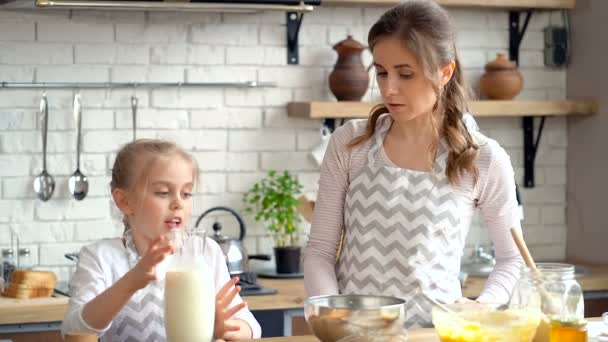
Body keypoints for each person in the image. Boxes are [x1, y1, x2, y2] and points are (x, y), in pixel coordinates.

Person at [303, 0, 524, 328]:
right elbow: (320, 250)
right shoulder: (351, 144)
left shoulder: (484, 159)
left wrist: (485, 305)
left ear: (444, 72)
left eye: (405, 74)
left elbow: (511, 258)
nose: (389, 88)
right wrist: (335, 316)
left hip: (437, 334)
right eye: (381, 72)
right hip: (356, 335)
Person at [61, 139, 261, 341]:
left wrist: (227, 329)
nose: (178, 203)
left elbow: (249, 324)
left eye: (186, 193)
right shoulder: (101, 258)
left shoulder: (205, 252)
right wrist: (132, 281)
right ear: (124, 201)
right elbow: (74, 328)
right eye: (163, 193)